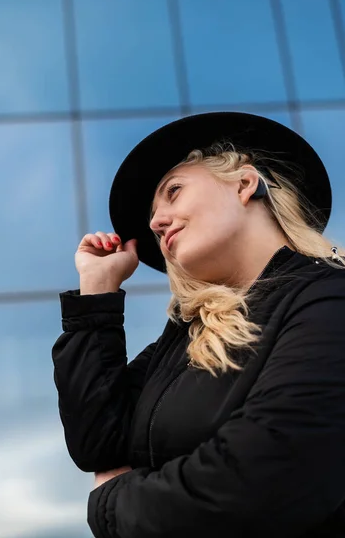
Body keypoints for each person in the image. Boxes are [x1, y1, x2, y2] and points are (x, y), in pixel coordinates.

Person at [52, 112, 345, 538]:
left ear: (245, 185)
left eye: (174, 191)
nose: (155, 222)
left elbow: (262, 481)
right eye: (154, 215)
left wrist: (112, 505)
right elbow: (97, 443)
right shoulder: (187, 336)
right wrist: (97, 292)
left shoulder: (329, 298)